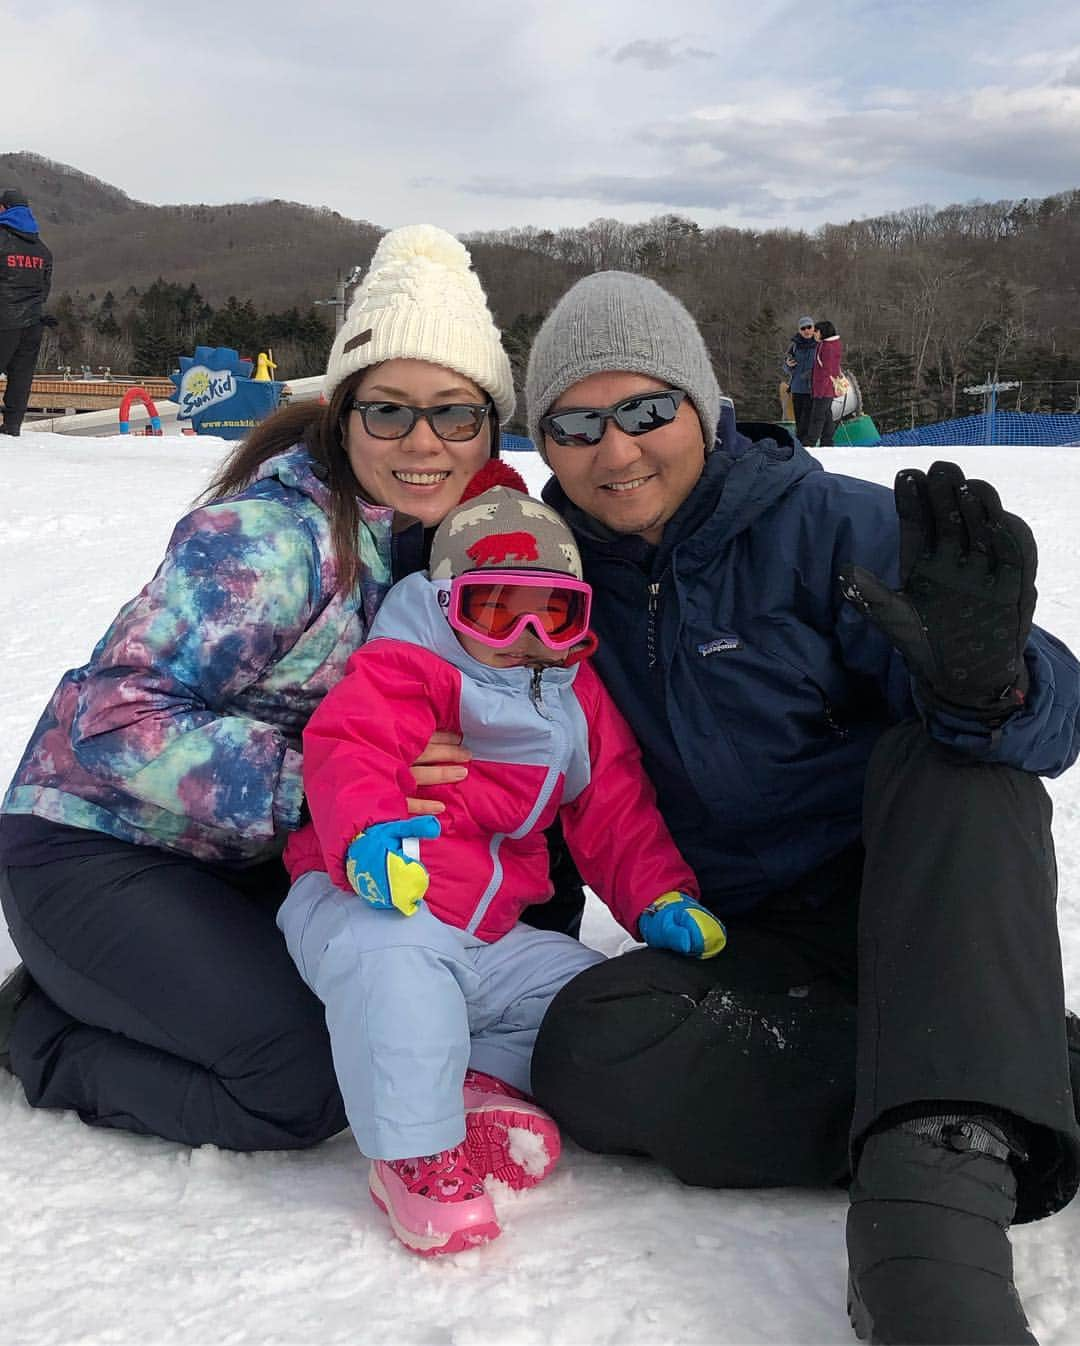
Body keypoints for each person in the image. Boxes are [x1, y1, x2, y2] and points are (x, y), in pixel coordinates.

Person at [520, 270, 1080, 1345]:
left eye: (646, 410)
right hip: (753, 938)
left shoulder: (826, 525)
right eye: (577, 423)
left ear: (703, 404)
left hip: (923, 897)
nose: (617, 450)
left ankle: (931, 1225)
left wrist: (996, 681)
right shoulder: (544, 578)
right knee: (585, 1047)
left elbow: (1052, 717)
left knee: (961, 758)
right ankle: (1009, 1076)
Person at [0, 223, 535, 1152]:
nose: (424, 440)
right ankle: (33, 1033)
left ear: (489, 426)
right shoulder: (271, 541)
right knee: (302, 1081)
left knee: (380, 1015)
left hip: (234, 864)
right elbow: (116, 720)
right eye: (389, 411)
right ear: (341, 413)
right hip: (96, 844)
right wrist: (326, 780)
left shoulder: (444, 541)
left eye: (455, 412)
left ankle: (126, 982)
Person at [278, 479, 724, 1255]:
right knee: (398, 964)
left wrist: (658, 897)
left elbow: (612, 804)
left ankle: (473, 1083)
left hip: (488, 931)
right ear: (447, 604)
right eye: (495, 608)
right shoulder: (408, 667)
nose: (525, 633)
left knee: (583, 994)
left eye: (551, 613)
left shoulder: (576, 696)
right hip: (372, 899)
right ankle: (411, 1156)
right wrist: (371, 839)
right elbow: (353, 749)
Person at [0, 187, 53, 437]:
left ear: (3, 209)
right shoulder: (42, 249)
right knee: (21, 375)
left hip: (3, 320)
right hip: (33, 322)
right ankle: (12, 427)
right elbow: (44, 289)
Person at [805, 317, 843, 447]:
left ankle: (810, 442)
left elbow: (827, 370)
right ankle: (827, 442)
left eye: (816, 331)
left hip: (824, 388)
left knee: (817, 416)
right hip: (825, 387)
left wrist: (820, 391)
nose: (813, 333)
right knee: (826, 416)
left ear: (823, 332)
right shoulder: (826, 345)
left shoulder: (828, 347)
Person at [782, 315, 817, 442]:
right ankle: (801, 445)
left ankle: (807, 445)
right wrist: (788, 365)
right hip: (797, 388)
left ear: (814, 328)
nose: (807, 331)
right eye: (803, 328)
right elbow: (785, 367)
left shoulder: (820, 345)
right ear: (799, 330)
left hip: (814, 389)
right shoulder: (794, 346)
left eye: (809, 327)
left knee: (808, 421)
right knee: (799, 420)